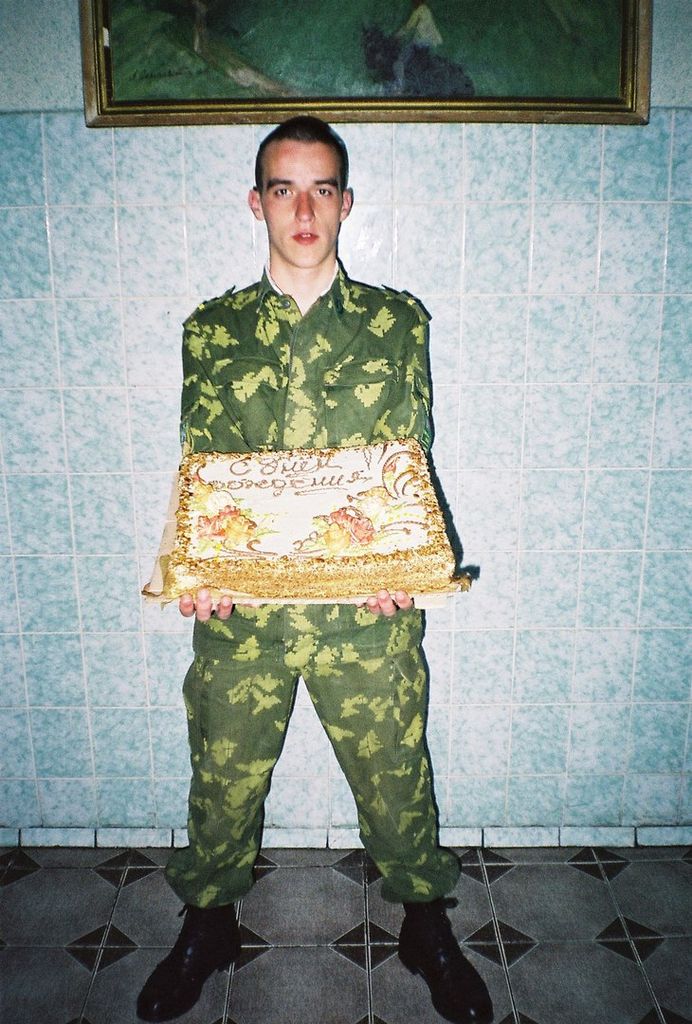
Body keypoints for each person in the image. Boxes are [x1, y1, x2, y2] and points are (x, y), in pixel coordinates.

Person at [136, 116, 493, 1024]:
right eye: (284, 189)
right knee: (222, 780)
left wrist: (405, 562)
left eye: (321, 189)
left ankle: (425, 924)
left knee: (396, 777)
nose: (303, 209)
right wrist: (198, 568)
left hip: (364, 612)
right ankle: (207, 924)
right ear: (256, 203)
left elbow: (407, 458)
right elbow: (203, 464)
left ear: (345, 202)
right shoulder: (212, 329)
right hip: (246, 611)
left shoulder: (395, 323)